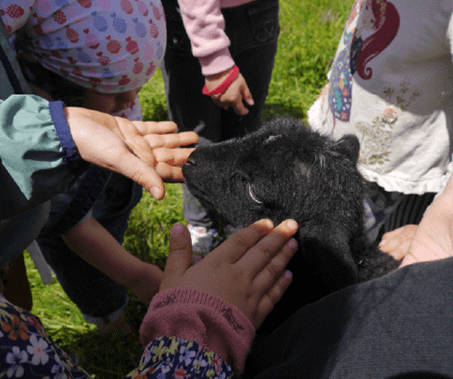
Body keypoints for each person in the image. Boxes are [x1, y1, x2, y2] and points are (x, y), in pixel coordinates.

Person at [0, 0, 182, 334]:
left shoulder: (102, 102)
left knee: (110, 220)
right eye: (115, 96)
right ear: (55, 84)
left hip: (105, 190)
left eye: (139, 90)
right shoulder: (47, 156)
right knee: (91, 272)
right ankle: (111, 321)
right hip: (85, 240)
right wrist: (138, 276)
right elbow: (78, 229)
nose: (130, 104)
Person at [307, 0, 453, 246]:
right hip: (338, 134)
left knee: (338, 252)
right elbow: (365, 30)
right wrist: (336, 81)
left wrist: (441, 225)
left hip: (389, 171)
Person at [160, 0, 280, 262]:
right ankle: (202, 224)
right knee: (197, 138)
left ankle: (238, 216)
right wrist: (215, 58)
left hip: (257, 13)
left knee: (245, 131)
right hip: (192, 22)